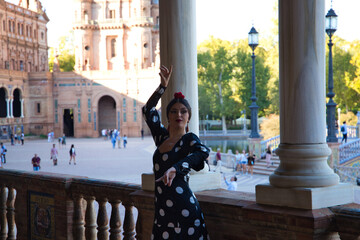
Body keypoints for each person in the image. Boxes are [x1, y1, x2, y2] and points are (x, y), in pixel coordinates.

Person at [142, 65, 210, 239]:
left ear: (188, 117)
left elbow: (202, 153)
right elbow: (148, 110)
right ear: (168, 116)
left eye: (183, 111)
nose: (178, 114)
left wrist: (176, 168)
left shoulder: (189, 139)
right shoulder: (161, 138)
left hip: (185, 210)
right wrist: (162, 87)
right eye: (173, 111)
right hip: (163, 212)